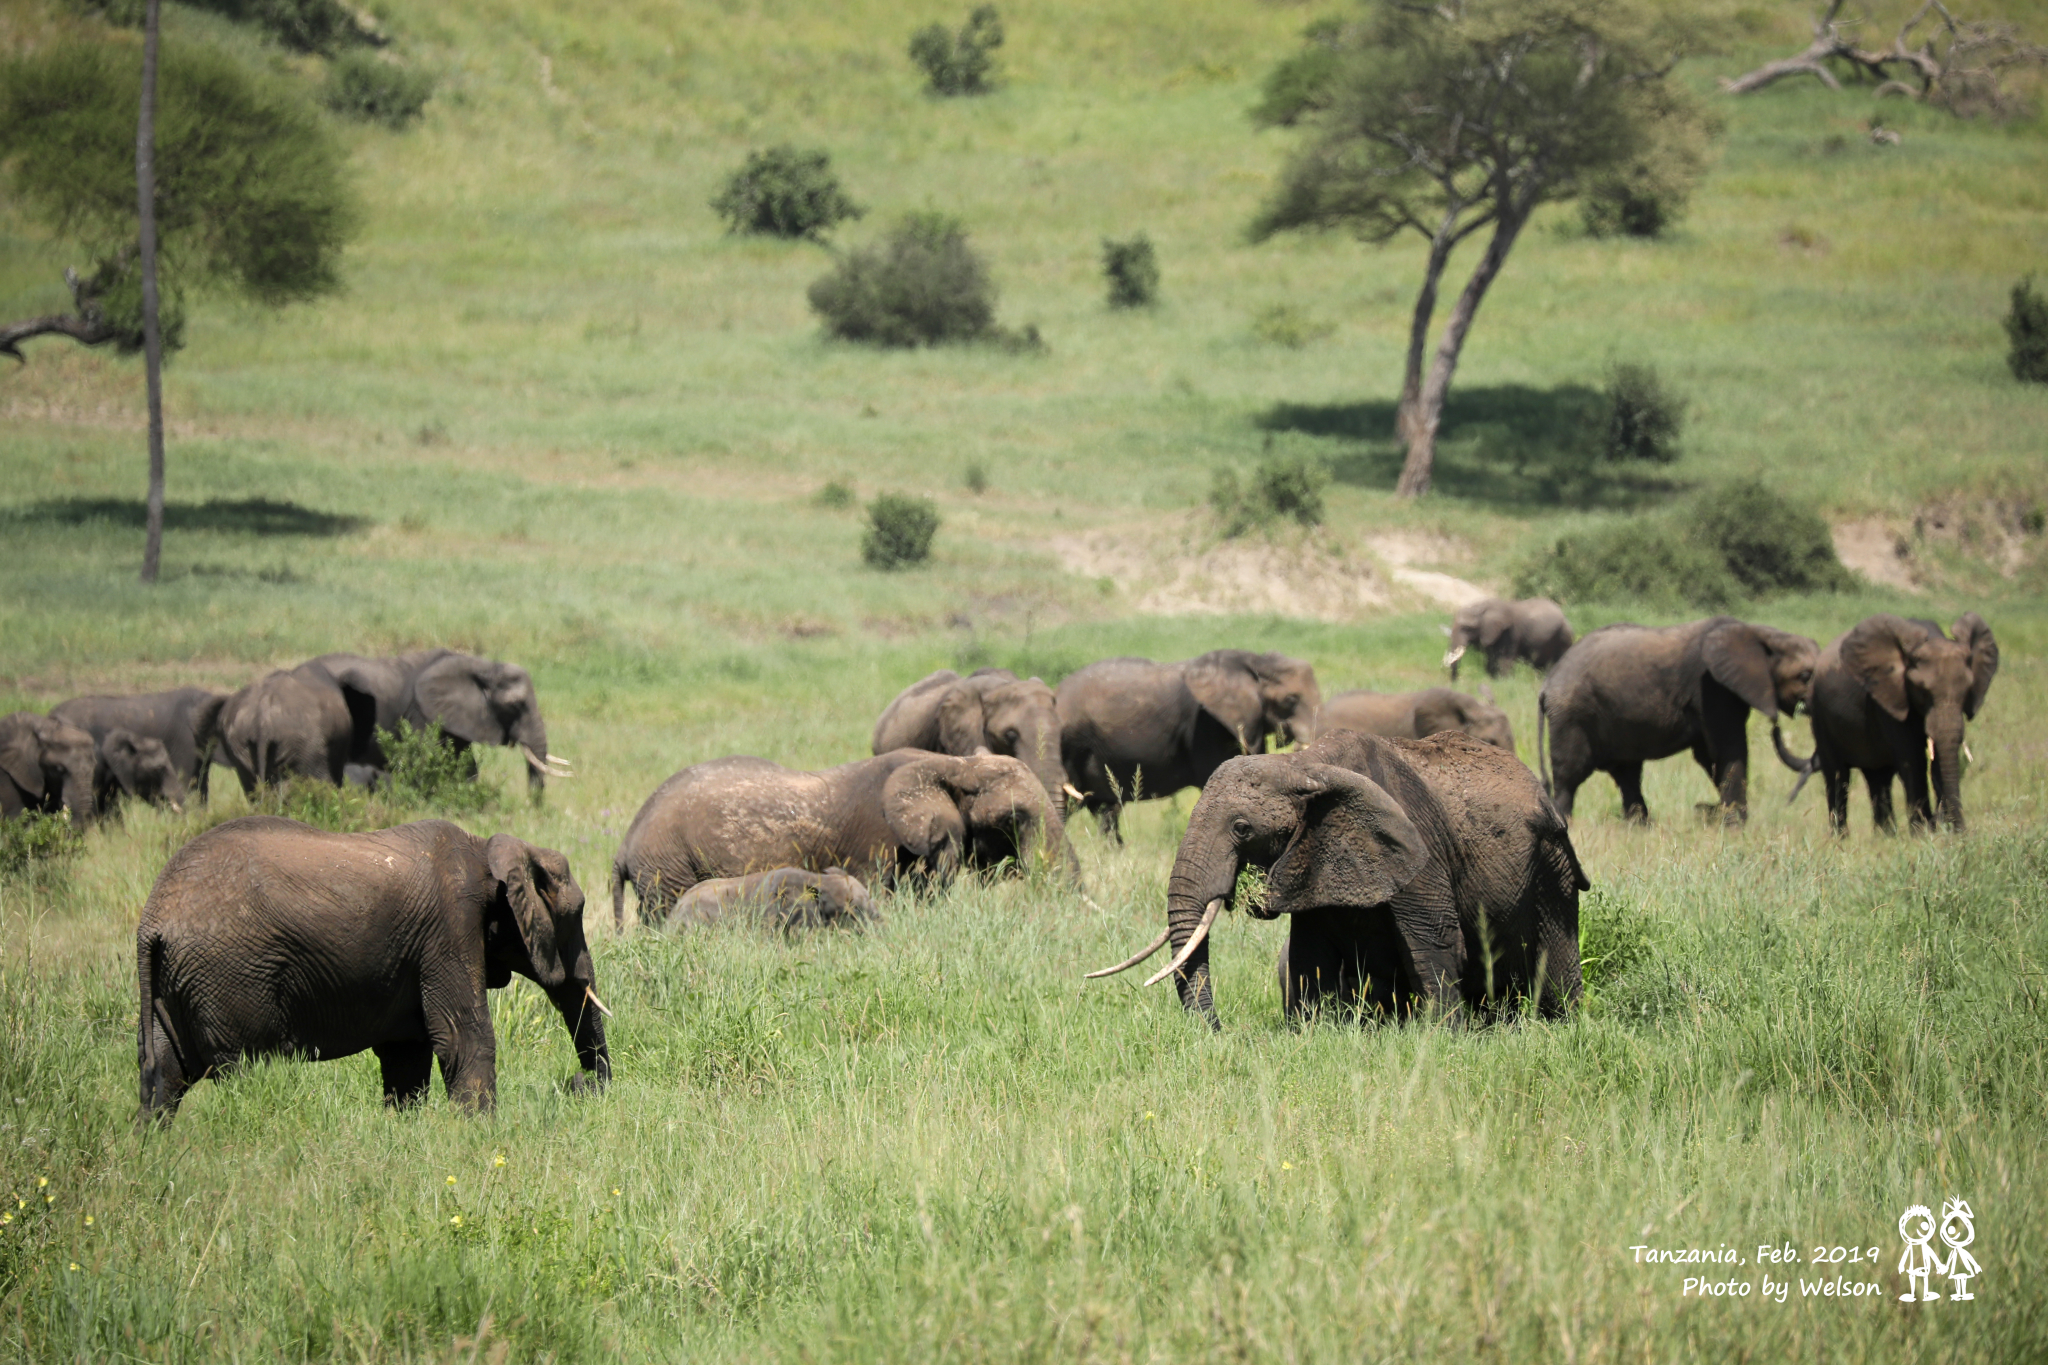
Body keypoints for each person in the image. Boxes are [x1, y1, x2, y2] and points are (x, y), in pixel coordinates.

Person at [1897, 1205, 1940, 1302]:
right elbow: (1905, 1255)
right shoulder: (1910, 1246)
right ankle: (1912, 1293)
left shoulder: (1924, 1246)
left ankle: (1925, 1293)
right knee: (1912, 1277)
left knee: (1924, 1277)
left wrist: (1938, 1264)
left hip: (1923, 1266)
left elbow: (1932, 1254)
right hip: (1912, 1267)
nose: (1917, 1231)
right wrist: (1901, 1265)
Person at [1938, 1198, 1978, 1301]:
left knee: (1962, 1277)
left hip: (1962, 1264)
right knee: (1958, 1277)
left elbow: (1968, 1257)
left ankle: (1962, 1293)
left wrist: (1975, 1265)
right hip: (1957, 1264)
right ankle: (1959, 1293)